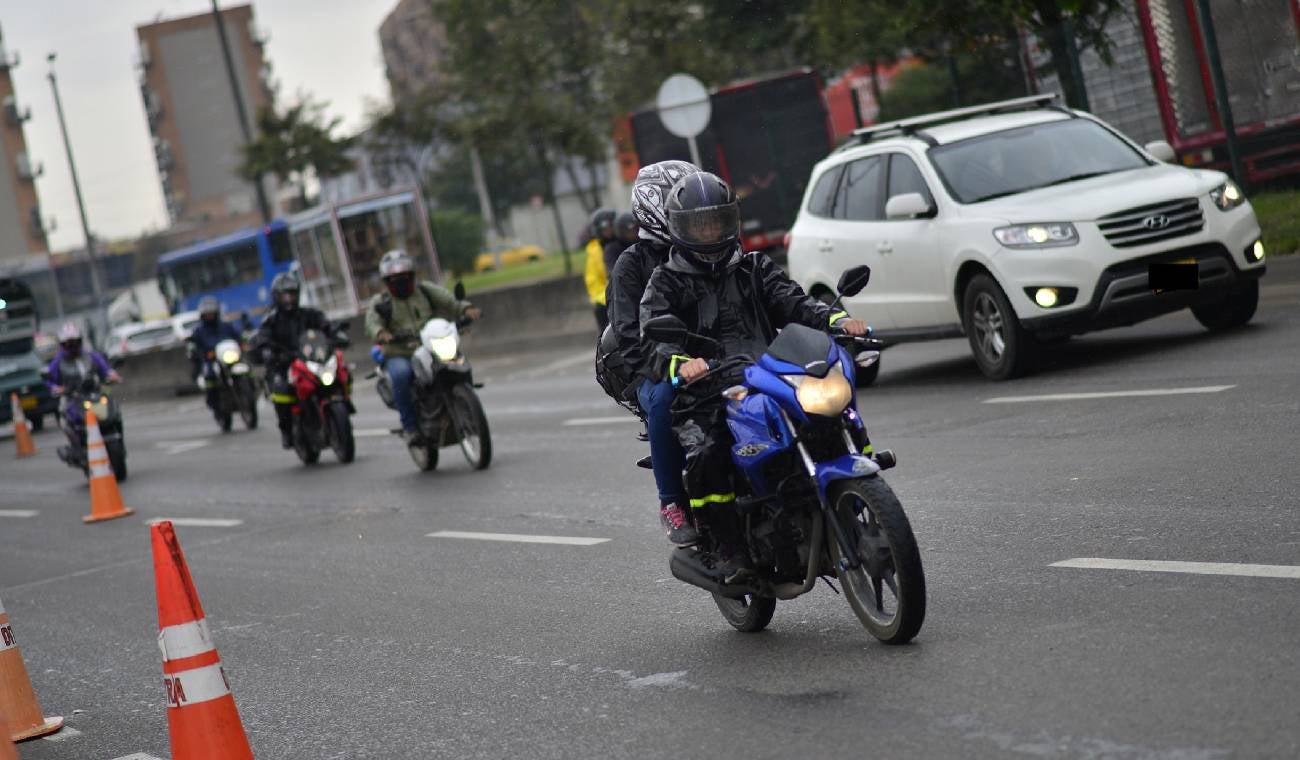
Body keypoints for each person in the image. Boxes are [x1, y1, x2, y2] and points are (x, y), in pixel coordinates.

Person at [639, 171, 869, 577]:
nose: (710, 232)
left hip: (767, 374)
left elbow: (795, 303)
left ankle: (855, 487)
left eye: (717, 221)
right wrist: (680, 362)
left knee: (829, 413)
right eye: (700, 225)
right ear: (680, 229)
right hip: (707, 387)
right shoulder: (667, 281)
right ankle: (729, 548)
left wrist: (836, 320)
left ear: (732, 220)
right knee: (709, 451)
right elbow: (653, 338)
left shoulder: (754, 267)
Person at [600, 160, 700, 546]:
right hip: (653, 368)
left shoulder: (711, 250)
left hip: (712, 359)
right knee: (664, 397)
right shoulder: (631, 265)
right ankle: (671, 501)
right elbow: (628, 336)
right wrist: (666, 365)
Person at [364, 249, 481, 442]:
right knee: (401, 375)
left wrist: (466, 309)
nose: (401, 281)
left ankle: (467, 403)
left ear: (412, 275)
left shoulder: (425, 290)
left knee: (457, 359)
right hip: (400, 352)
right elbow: (372, 322)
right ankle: (410, 427)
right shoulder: (382, 301)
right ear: (387, 281)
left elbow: (448, 300)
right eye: (395, 279)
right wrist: (381, 333)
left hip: (429, 346)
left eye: (404, 276)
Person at [252, 271, 335, 449]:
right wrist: (267, 351)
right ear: (277, 297)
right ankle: (287, 429)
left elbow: (326, 326)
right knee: (281, 390)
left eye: (292, 294)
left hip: (309, 361)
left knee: (337, 374)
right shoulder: (271, 321)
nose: (289, 299)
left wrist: (334, 334)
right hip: (283, 365)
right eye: (284, 295)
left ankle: (339, 408)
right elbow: (262, 339)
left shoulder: (309, 314)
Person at [188, 295, 243, 411]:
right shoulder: (199, 331)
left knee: (246, 368)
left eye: (212, 313)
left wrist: (242, 343)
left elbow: (237, 337)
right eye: (207, 314)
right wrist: (204, 353)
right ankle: (214, 400)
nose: (210, 316)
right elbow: (196, 346)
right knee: (209, 375)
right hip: (211, 359)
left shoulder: (226, 326)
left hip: (228, 356)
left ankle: (246, 391)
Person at [584, 208, 617, 332]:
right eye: (605, 228)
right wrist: (606, 298)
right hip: (608, 297)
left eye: (611, 226)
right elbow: (593, 282)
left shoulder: (625, 243)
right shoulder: (594, 251)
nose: (608, 231)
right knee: (600, 311)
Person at [603, 212, 637, 279]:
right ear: (620, 232)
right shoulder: (612, 249)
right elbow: (613, 272)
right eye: (628, 231)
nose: (633, 234)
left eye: (635, 230)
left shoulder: (643, 242)